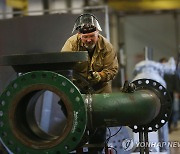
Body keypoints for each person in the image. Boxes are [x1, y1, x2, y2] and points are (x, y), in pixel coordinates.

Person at [61, 13, 119, 153]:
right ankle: (77, 143)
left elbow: (113, 69)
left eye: (91, 36)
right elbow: (63, 65)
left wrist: (100, 76)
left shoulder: (107, 47)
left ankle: (97, 149)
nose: (88, 40)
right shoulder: (71, 44)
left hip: (100, 91)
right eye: (85, 37)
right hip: (78, 90)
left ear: (97, 34)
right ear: (79, 36)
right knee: (68, 110)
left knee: (99, 125)